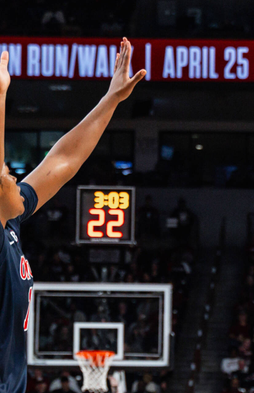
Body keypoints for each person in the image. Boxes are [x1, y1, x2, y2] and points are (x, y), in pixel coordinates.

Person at [0, 39, 144, 393]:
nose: (15, 176)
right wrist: (0, 96)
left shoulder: (11, 223)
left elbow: (63, 160)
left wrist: (110, 99)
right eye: (7, 173)